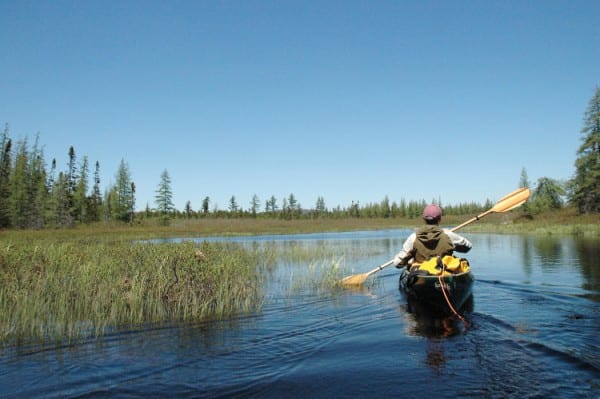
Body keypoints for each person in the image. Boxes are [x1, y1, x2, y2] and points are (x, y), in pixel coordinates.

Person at [392, 204, 472, 270]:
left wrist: (409, 259)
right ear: (439, 219)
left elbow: (397, 264)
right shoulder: (448, 235)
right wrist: (452, 245)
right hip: (443, 273)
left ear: (424, 219)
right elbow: (468, 247)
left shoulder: (413, 238)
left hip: (421, 275)